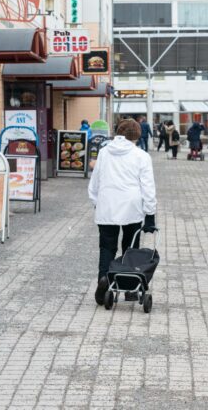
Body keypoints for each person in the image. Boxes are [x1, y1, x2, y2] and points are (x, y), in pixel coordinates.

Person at [88, 119, 157, 306]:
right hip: (131, 207)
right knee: (130, 248)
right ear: (136, 136)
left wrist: (96, 202)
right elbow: (148, 187)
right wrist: (150, 214)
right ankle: (130, 289)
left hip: (107, 205)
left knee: (107, 248)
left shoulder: (103, 152)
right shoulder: (141, 156)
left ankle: (104, 279)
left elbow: (95, 182)